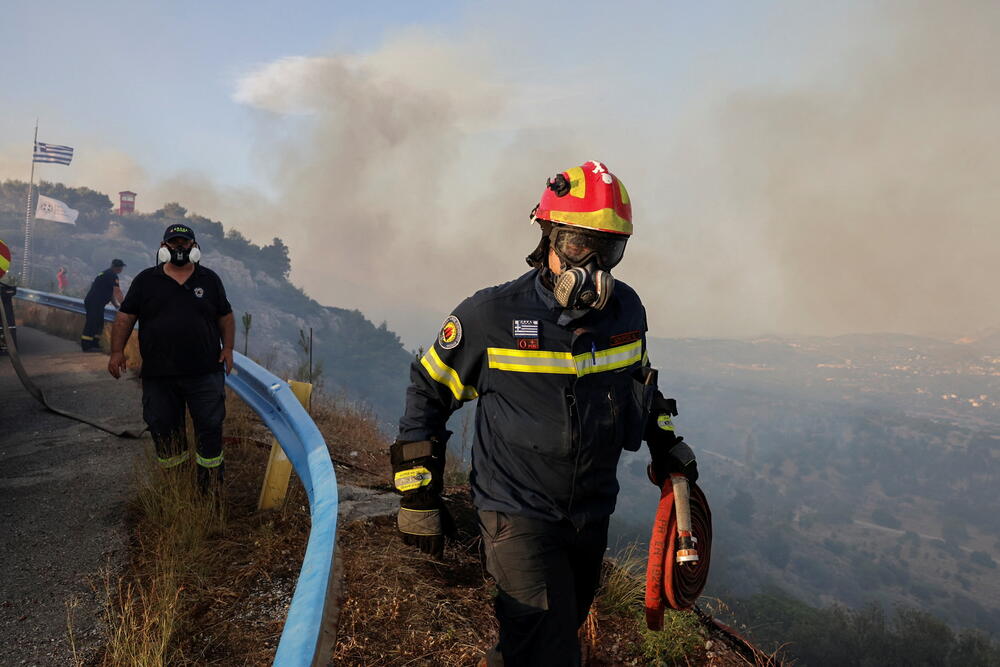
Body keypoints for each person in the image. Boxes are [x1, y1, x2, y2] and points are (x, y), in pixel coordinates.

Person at [394, 161, 699, 666]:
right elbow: (428, 390)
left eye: (610, 250)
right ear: (547, 237)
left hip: (592, 512)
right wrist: (416, 493)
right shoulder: (489, 315)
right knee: (550, 650)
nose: (594, 267)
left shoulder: (627, 313)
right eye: (581, 245)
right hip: (516, 512)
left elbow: (641, 386)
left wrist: (665, 443)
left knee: (538, 638)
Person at [107, 224, 235, 491]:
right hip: (159, 375)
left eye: (184, 243)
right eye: (173, 243)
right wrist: (117, 351)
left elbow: (225, 315)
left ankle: (209, 488)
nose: (179, 248)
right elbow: (125, 316)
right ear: (163, 248)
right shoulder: (146, 281)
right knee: (163, 428)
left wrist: (228, 349)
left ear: (194, 247)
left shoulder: (209, 280)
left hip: (204, 373)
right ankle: (177, 487)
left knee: (210, 427)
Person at [81, 259, 125, 351]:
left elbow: (110, 293)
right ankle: (86, 346)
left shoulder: (105, 273)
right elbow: (117, 291)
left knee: (99, 323)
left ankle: (94, 344)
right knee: (92, 323)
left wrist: (116, 305)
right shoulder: (112, 275)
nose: (121, 269)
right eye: (121, 267)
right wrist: (125, 306)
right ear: (118, 268)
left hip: (95, 302)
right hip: (95, 303)